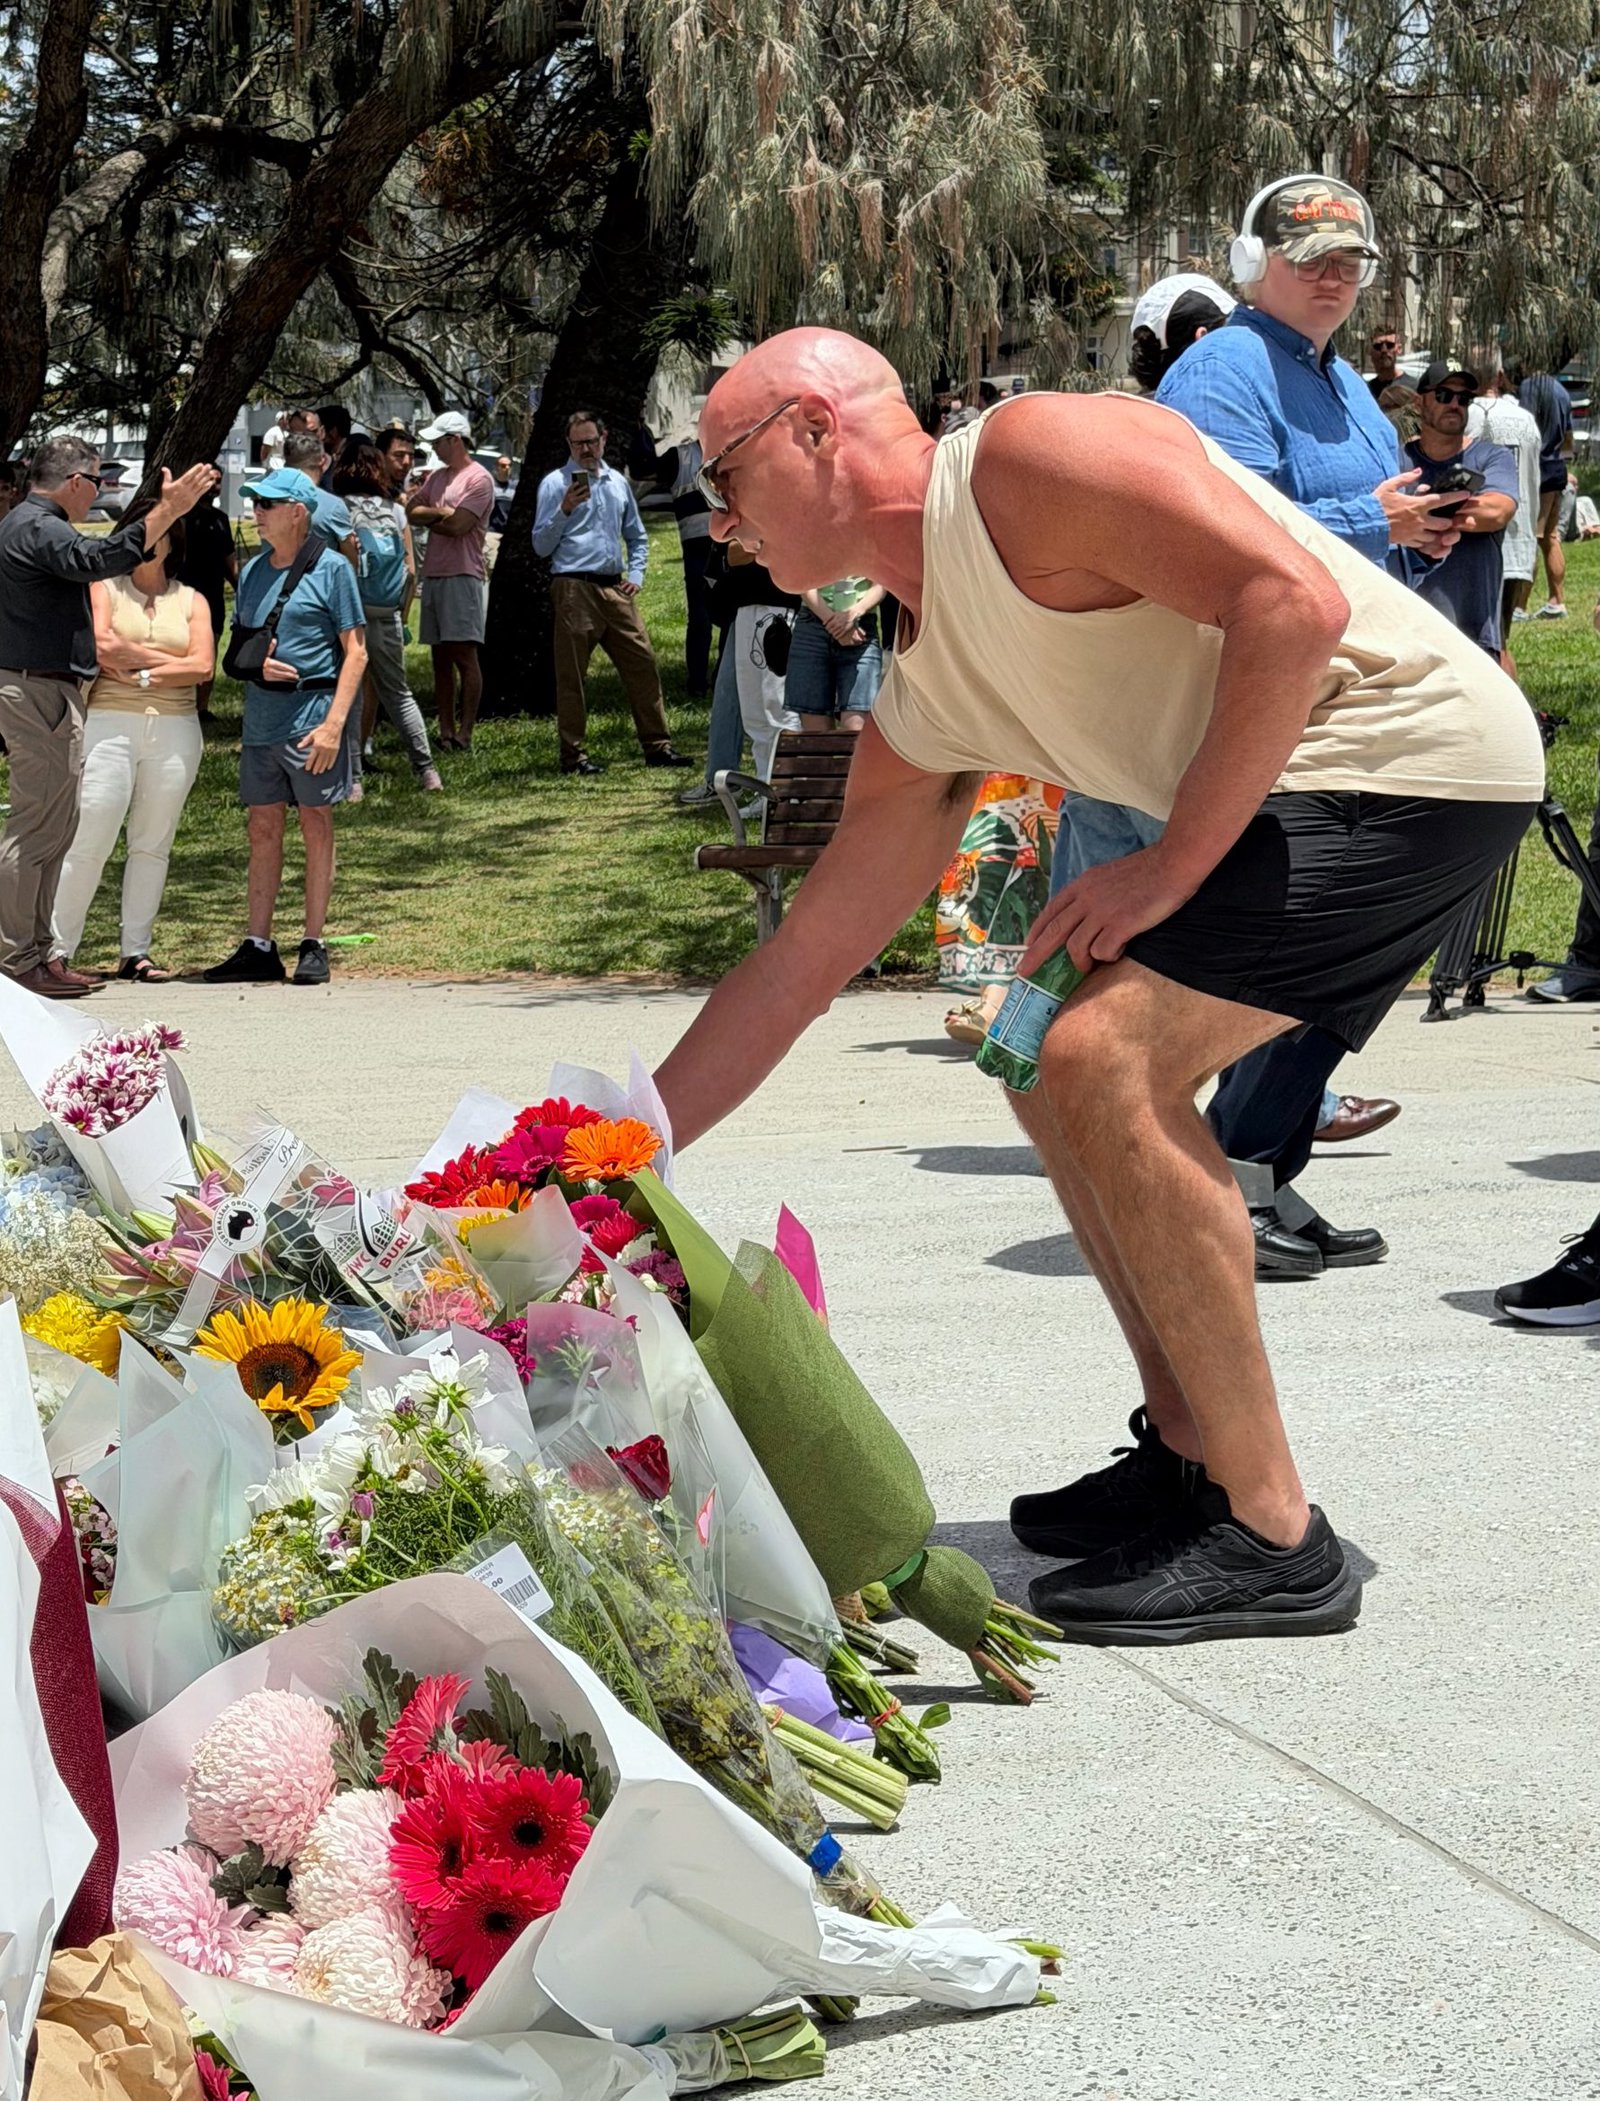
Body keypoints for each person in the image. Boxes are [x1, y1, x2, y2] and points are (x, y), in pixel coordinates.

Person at [655, 325, 1542, 1645]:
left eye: (723, 476)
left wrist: (1171, 865)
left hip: (1414, 762)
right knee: (1032, 1041)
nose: (716, 519)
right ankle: (1191, 1450)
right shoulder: (929, 689)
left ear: (814, 429)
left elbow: (1290, 604)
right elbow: (798, 964)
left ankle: (1274, 1534)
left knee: (1103, 1054)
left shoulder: (1026, 459)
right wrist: (608, 1150)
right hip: (1297, 789)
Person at [1147, 179, 1465, 1274]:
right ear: (1253, 263)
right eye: (1309, 256)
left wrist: (1416, 531)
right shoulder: (1223, 371)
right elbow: (1223, 538)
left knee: (1356, 938)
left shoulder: (1336, 379)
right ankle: (1234, 1178)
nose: (1334, 275)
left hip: (1350, 696)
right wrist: (1371, 521)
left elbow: (1355, 524)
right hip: (1274, 706)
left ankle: (1264, 1171)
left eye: (1350, 260)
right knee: (1323, 936)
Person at [0, 437, 216, 998]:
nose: (100, 491)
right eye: (97, 481)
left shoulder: (33, 525)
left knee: (53, 828)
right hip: (37, 689)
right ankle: (17, 958)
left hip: (46, 688)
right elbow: (99, 561)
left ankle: (39, 955)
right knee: (36, 828)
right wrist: (167, 510)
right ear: (75, 482)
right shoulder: (38, 527)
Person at [201, 467, 366, 988]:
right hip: (261, 721)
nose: (257, 511)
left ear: (298, 513)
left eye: (268, 504)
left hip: (313, 719)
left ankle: (313, 942)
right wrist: (256, 666)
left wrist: (334, 726)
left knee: (316, 823)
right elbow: (238, 652)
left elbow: (357, 652)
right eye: (255, 502)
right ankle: (258, 945)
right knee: (262, 827)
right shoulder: (252, 571)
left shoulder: (333, 569)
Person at [52, 504, 214, 981]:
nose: (147, 540)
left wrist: (139, 670)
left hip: (176, 728)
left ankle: (135, 952)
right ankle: (56, 950)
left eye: (157, 532)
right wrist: (169, 663)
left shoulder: (192, 600)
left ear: (171, 542)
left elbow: (203, 666)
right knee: (90, 838)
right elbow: (102, 648)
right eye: (140, 532)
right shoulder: (104, 589)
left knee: (153, 843)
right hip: (109, 724)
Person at [532, 408, 689, 776]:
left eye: (591, 441)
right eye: (578, 444)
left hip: (615, 587)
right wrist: (564, 509)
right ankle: (573, 756)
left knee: (643, 662)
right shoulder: (554, 484)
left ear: (603, 439)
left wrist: (636, 573)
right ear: (568, 444)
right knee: (572, 676)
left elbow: (636, 534)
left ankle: (658, 746)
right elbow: (540, 545)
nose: (585, 449)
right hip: (573, 587)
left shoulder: (617, 482)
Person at [330, 441, 442, 793]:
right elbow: (411, 570)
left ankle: (354, 781)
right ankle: (427, 771)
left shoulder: (337, 509)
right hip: (387, 613)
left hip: (350, 616)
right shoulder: (395, 511)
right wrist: (401, 617)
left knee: (351, 697)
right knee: (399, 694)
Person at [1393, 364, 1518, 654]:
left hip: (1473, 628)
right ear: (1419, 401)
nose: (1454, 405)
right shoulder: (1395, 460)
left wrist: (1420, 514)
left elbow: (1497, 511)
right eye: (1444, 395)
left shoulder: (1491, 457)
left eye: (1463, 399)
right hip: (1407, 630)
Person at [938, 776, 1061, 1044]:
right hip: (1001, 767)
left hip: (1059, 769)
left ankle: (1001, 1003)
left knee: (1038, 865)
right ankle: (995, 1000)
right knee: (981, 858)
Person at [405, 411, 494, 752]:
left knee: (464, 655)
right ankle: (445, 730)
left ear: (455, 440)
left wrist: (434, 517)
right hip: (434, 574)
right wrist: (442, 513)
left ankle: (465, 733)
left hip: (463, 574)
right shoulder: (437, 477)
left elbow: (460, 526)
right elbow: (412, 511)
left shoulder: (479, 479)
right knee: (440, 658)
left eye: (437, 442)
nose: (433, 448)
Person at [1468, 357, 1543, 648]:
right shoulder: (1525, 419)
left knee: (1479, 642)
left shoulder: (1464, 416)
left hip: (1478, 539)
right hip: (1519, 537)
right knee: (1501, 639)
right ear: (1499, 377)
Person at [175, 482, 238, 721]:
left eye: (219, 482)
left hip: (213, 595)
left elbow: (229, 559)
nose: (216, 487)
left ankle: (201, 708)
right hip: (184, 593)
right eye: (211, 481)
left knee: (210, 649)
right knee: (182, 650)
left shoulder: (221, 519)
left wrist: (240, 587)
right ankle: (181, 704)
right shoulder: (181, 517)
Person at [787, 579, 885, 732]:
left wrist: (853, 614)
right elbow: (801, 579)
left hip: (862, 624)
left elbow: (883, 583)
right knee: (815, 734)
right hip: (813, 625)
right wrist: (835, 623)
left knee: (856, 727)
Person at [1518, 371, 1574, 619]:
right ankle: (1556, 600)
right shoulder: (1561, 391)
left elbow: (1524, 429)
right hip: (1556, 468)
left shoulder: (1528, 387)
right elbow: (1569, 440)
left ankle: (1519, 605)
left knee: (1531, 537)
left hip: (1537, 469)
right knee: (1550, 537)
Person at [1366, 326, 1402, 400]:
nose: (1384, 350)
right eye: (1378, 346)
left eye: (1390, 345)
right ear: (1370, 351)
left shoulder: (1414, 387)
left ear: (1399, 349)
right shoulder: (1366, 390)